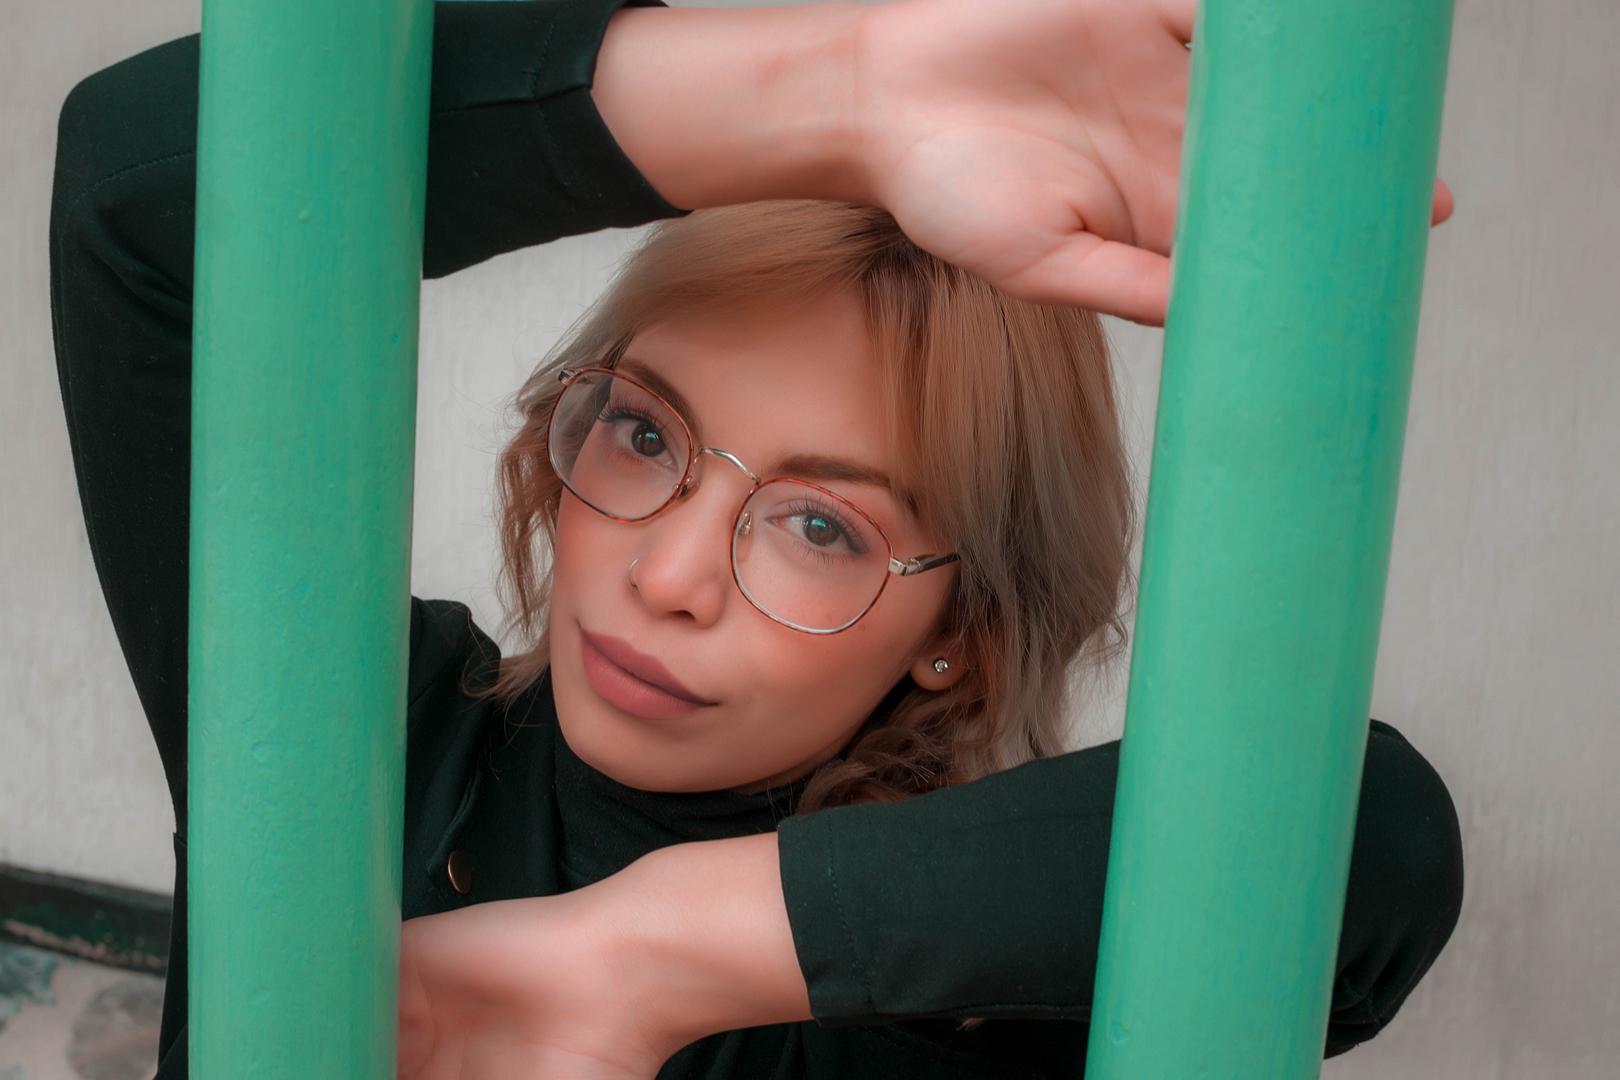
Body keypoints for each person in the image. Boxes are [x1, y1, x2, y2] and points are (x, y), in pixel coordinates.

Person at [47, 0, 1464, 1077]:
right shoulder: (365, 741)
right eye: (645, 433)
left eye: (819, 525)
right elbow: (136, 190)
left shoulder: (963, 979)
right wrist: (841, 92)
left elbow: (1375, 834)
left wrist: (665, 949)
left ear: (961, 640)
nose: (665, 577)